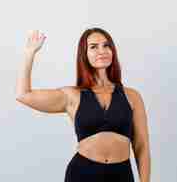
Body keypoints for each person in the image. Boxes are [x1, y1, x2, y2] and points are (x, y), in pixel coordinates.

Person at [15, 27, 151, 182]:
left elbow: (142, 146)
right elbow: (24, 95)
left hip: (121, 175)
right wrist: (29, 53)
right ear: (84, 55)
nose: (102, 50)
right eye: (94, 47)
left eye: (106, 45)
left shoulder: (132, 96)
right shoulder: (72, 95)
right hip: (83, 173)